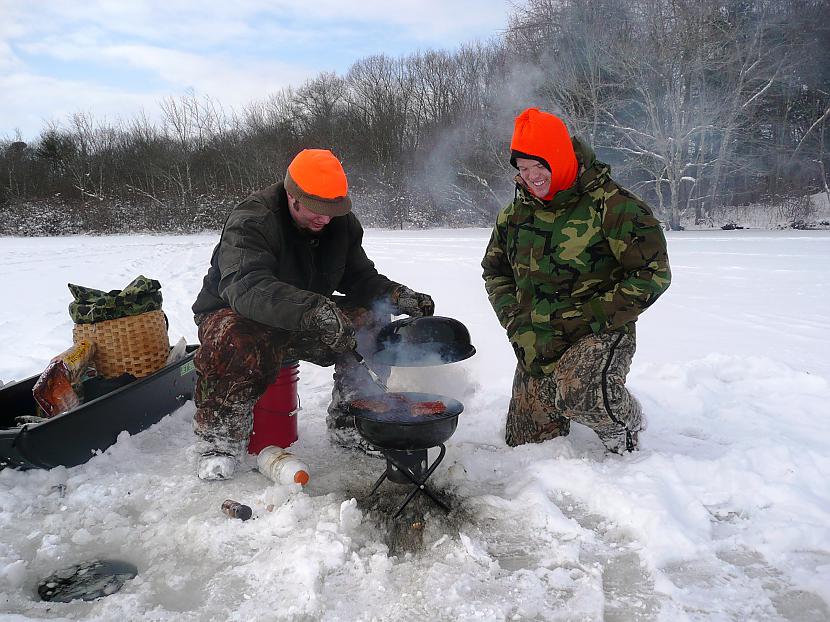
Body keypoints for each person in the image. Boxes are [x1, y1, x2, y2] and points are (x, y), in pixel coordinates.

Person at [191, 148, 434, 480]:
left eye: (333, 211)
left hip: (307, 317)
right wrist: (314, 310)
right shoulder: (253, 220)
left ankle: (352, 423)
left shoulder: (339, 224)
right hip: (239, 315)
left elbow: (359, 277)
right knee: (235, 337)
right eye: (317, 211)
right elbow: (246, 286)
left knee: (371, 318)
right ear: (293, 197)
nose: (325, 219)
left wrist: (394, 295)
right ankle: (218, 441)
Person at [482, 108, 671, 454]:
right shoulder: (514, 216)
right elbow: (495, 272)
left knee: (582, 394)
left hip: (598, 331)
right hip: (538, 337)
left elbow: (653, 274)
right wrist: (515, 321)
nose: (532, 177)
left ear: (560, 157)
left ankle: (626, 422)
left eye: (540, 166)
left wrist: (588, 318)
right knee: (525, 445)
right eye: (523, 169)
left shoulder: (613, 206)